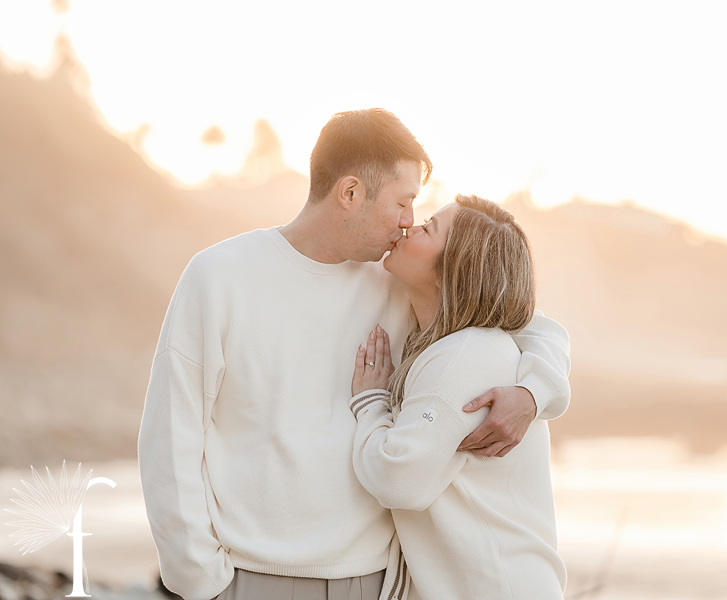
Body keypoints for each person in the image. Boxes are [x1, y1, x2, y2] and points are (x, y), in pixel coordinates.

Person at [138, 109, 571, 600]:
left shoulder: (397, 282)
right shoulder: (218, 276)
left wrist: (535, 392)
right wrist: (200, 581)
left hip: (377, 584)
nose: (410, 221)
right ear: (349, 193)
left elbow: (523, 321)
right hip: (249, 579)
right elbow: (169, 438)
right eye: (403, 202)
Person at [349, 195, 567, 600]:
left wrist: (370, 402)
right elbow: (544, 328)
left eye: (429, 227)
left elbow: (398, 480)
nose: (409, 226)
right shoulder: (462, 344)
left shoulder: (463, 357)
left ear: (451, 270)